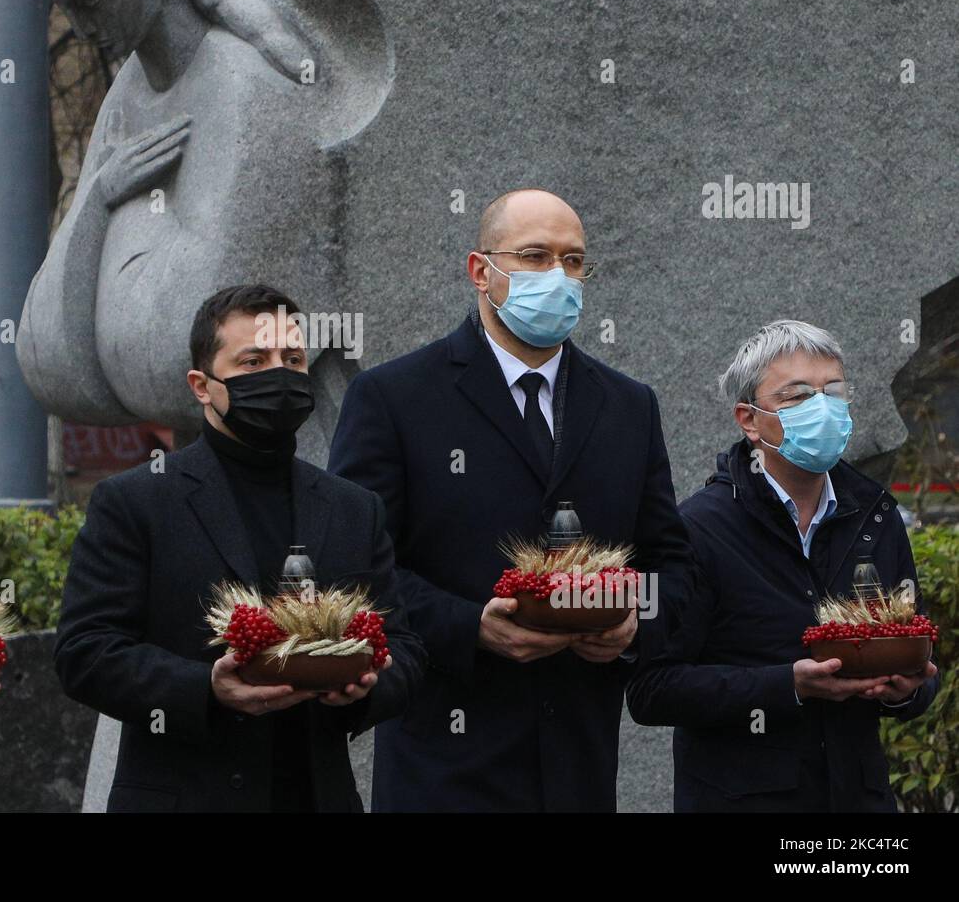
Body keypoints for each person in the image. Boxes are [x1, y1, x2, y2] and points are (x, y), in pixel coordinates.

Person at [329, 188, 694, 812]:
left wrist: (634, 626)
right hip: (444, 769)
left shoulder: (629, 406)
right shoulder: (395, 398)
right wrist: (470, 628)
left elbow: (670, 562)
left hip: (579, 769)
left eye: (574, 261)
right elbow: (355, 568)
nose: (558, 276)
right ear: (481, 271)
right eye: (535, 256)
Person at [55, 284, 425, 812]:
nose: (279, 375)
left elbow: (405, 648)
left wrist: (362, 687)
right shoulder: (136, 501)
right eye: (254, 360)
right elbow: (84, 652)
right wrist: (206, 687)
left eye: (292, 359)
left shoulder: (353, 508)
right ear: (202, 385)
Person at [627, 320, 939, 811]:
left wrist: (905, 689)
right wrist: (787, 684)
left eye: (833, 393)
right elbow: (652, 690)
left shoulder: (876, 517)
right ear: (749, 420)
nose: (822, 409)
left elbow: (916, 658)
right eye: (796, 398)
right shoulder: (695, 530)